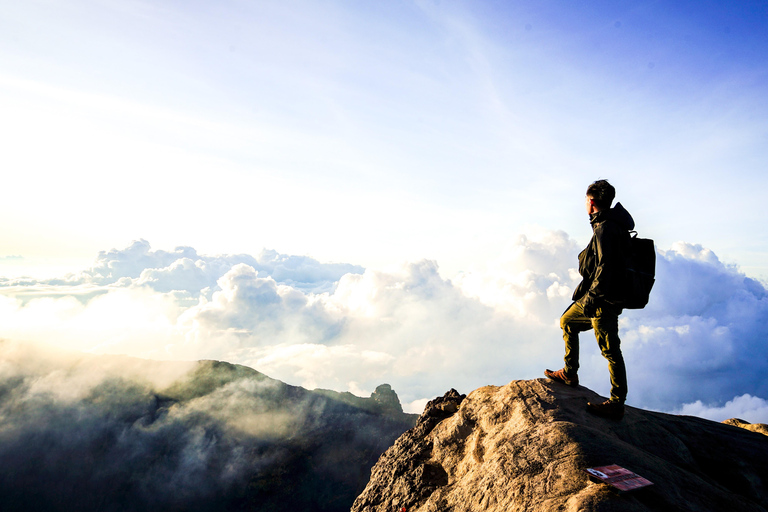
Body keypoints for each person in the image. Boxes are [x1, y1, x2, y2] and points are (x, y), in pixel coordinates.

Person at [545, 179, 634, 420]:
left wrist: (592, 298)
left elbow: (606, 267)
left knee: (611, 351)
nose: (584, 204)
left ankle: (617, 402)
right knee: (567, 321)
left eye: (585, 200)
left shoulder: (606, 228)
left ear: (591, 202)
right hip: (598, 297)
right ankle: (570, 373)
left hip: (603, 300)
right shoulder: (608, 225)